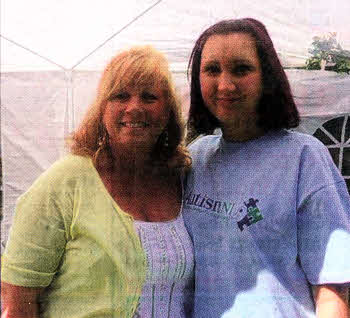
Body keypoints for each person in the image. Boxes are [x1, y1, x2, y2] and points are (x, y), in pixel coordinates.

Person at [1, 46, 194, 317]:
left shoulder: (183, 180)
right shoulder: (65, 183)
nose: (135, 107)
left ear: (169, 111)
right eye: (121, 96)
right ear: (102, 109)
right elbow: (18, 300)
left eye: (149, 97)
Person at [182, 18, 350, 317]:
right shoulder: (196, 157)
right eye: (212, 69)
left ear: (267, 77)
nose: (225, 84)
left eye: (241, 69)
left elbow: (331, 287)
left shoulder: (304, 158)